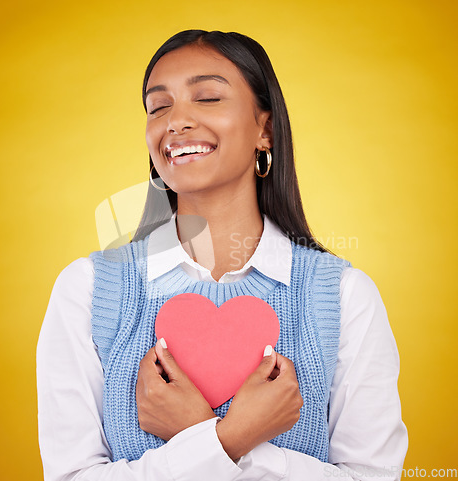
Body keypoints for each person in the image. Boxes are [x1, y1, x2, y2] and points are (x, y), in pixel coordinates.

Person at [37, 30, 408, 480]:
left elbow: (372, 476)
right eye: (159, 107)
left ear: (265, 129)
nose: (175, 121)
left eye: (208, 97)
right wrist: (230, 439)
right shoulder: (87, 291)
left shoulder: (346, 297)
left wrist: (201, 437)